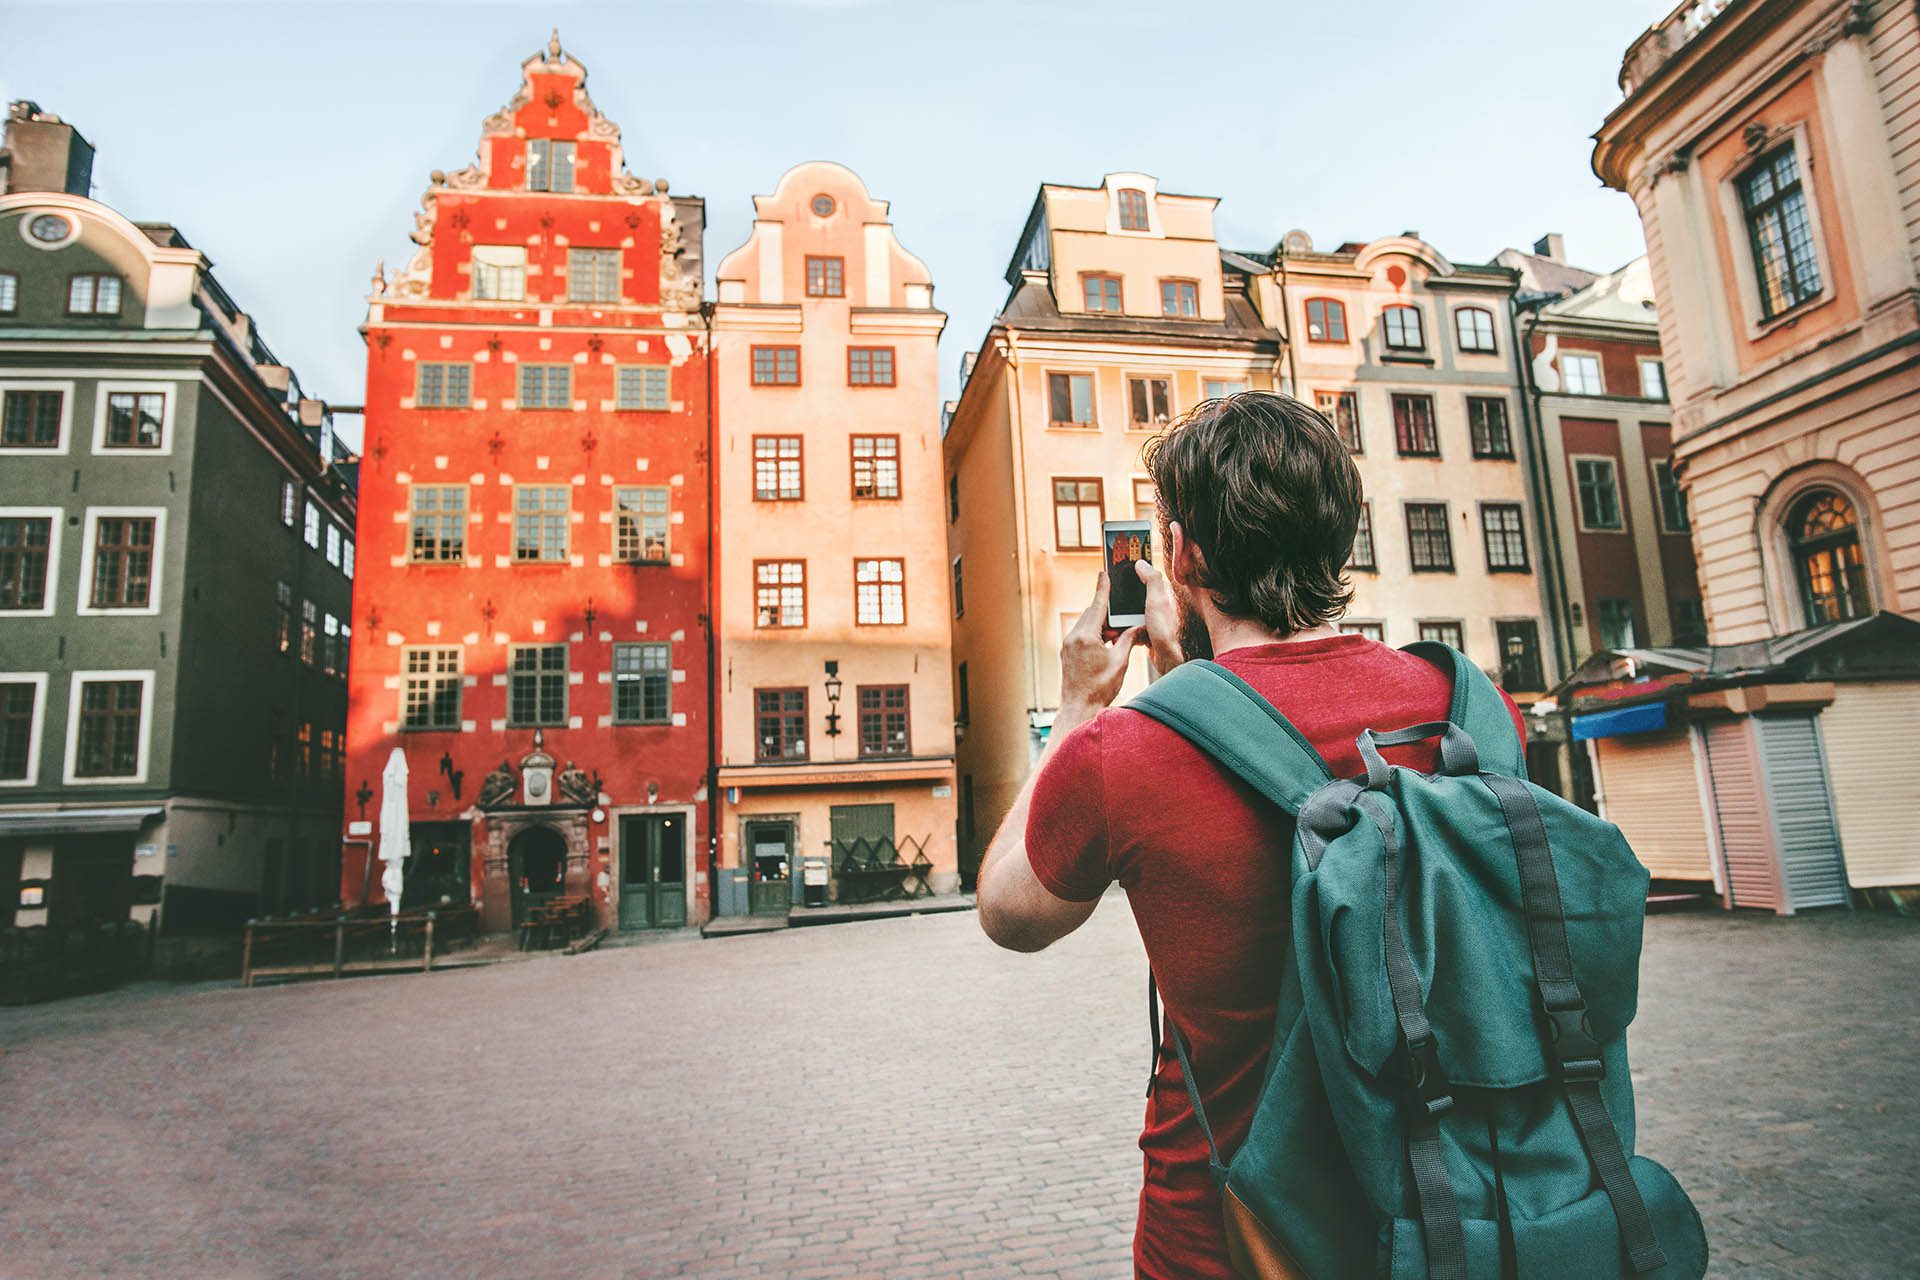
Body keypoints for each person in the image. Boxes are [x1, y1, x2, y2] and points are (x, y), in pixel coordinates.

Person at [976, 392, 1524, 1280]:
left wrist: (1080, 705)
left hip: (1233, 1234)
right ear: (1339, 537)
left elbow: (1010, 913)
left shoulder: (1127, 750)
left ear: (1183, 553)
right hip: (1460, 1206)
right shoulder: (1470, 706)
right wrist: (1194, 689)